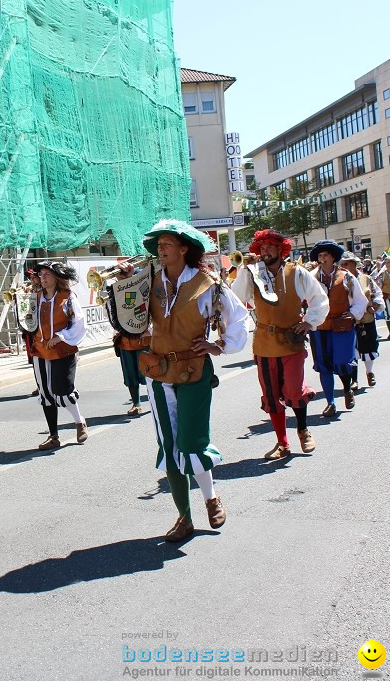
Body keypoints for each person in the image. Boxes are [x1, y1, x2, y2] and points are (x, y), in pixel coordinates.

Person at [131, 220, 249, 542]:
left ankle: (211, 496)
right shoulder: (149, 283)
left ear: (185, 248)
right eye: (158, 245)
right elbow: (134, 319)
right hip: (157, 374)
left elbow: (238, 319)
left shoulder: (207, 283)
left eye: (167, 243)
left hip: (193, 371)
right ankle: (183, 517)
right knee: (169, 448)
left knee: (191, 442)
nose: (161, 249)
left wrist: (219, 345)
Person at [232, 229, 329, 459]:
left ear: (279, 249)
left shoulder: (296, 273)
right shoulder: (252, 273)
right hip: (265, 342)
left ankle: (303, 430)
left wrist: (309, 323)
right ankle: (282, 443)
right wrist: (244, 271)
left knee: (294, 389)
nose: (264, 252)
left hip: (291, 340)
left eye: (269, 248)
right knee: (271, 394)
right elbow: (237, 298)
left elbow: (320, 299)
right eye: (261, 248)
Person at [28, 260, 88, 450]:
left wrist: (61, 337)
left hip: (63, 349)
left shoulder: (67, 297)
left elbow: (78, 322)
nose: (42, 278)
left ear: (56, 277)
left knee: (62, 391)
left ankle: (79, 422)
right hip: (40, 350)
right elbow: (27, 321)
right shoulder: (35, 297)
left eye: (47, 274)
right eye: (41, 275)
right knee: (45, 393)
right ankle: (53, 435)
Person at [307, 241, 366, 417]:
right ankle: (330, 403)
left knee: (342, 362)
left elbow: (360, 301)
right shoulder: (310, 277)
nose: (322, 258)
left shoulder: (347, 277)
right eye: (320, 256)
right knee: (324, 365)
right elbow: (301, 300)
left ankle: (347, 389)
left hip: (342, 326)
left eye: (325, 255)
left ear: (333, 257)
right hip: (320, 327)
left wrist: (353, 314)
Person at [341, 253, 382, 388]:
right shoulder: (340, 280)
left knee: (369, 347)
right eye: (342, 264)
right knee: (352, 350)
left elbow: (377, 294)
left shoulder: (366, 278)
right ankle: (354, 380)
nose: (343, 266)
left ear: (354, 264)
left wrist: (375, 306)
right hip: (350, 321)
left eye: (346, 263)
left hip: (367, 319)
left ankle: (370, 373)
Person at [114, 326, 150, 416]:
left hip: (144, 339)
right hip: (125, 341)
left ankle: (156, 402)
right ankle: (136, 404)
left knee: (150, 374)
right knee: (129, 374)